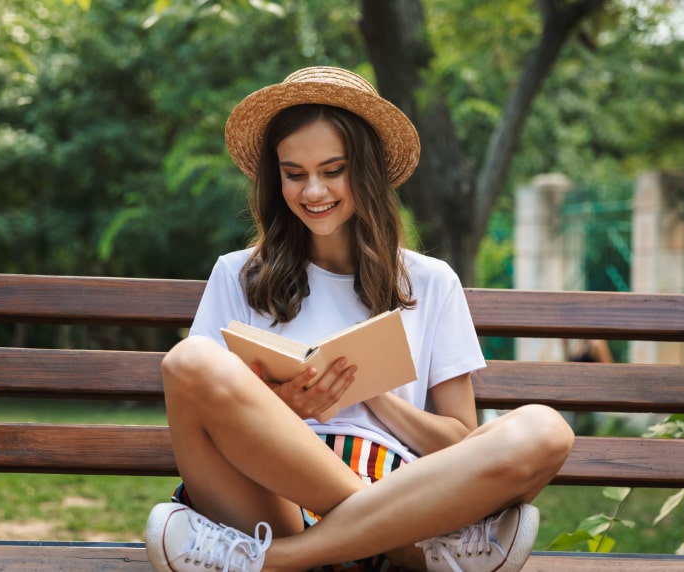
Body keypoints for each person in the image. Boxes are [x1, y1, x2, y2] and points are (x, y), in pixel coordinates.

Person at [144, 66, 575, 572]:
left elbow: (460, 440)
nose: (313, 192)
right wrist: (284, 404)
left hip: (399, 487)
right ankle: (399, 545)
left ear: (366, 170)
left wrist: (370, 393)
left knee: (546, 430)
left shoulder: (431, 282)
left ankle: (271, 563)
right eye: (294, 173)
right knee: (189, 360)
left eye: (333, 170)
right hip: (273, 500)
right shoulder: (238, 274)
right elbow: (201, 413)